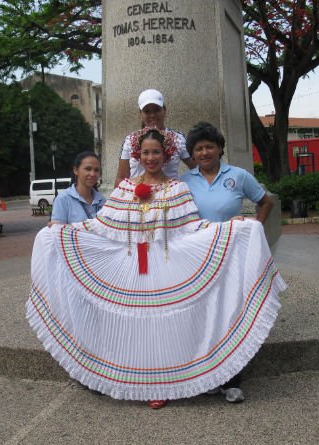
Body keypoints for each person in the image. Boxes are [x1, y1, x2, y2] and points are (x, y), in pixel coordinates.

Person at [27, 127, 286, 410]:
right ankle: (137, 380)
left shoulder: (177, 188)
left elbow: (191, 227)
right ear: (138, 156)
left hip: (165, 265)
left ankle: (164, 383)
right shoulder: (125, 188)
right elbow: (102, 226)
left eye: (156, 152)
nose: (151, 158)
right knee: (134, 324)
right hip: (132, 266)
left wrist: (229, 228)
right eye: (146, 153)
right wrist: (63, 231)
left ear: (166, 155)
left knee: (163, 324)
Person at [181, 121, 274, 403]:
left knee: (230, 315)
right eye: (198, 148)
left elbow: (265, 201)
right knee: (203, 316)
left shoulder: (238, 175)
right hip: (198, 259)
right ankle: (209, 378)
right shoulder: (185, 182)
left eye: (209, 147)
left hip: (231, 257)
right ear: (192, 153)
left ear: (220, 148)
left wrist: (253, 228)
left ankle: (232, 380)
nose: (204, 152)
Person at [114, 88, 196, 186]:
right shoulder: (129, 140)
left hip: (169, 193)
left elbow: (197, 169)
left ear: (164, 110)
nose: (152, 115)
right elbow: (121, 177)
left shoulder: (179, 139)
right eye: (147, 111)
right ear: (141, 114)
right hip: (137, 193)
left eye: (157, 110)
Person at [48, 152, 105, 225]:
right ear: (75, 170)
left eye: (96, 170)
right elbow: (58, 229)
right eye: (88, 169)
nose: (92, 174)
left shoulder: (102, 201)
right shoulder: (63, 199)